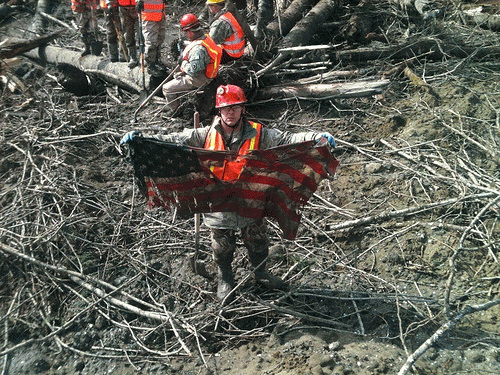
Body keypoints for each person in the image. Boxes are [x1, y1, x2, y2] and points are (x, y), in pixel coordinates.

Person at [121, 84, 336, 302]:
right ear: (219, 111)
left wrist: (317, 136)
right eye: (225, 108)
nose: (230, 112)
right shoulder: (204, 134)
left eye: (234, 107)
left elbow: (287, 140)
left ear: (243, 108)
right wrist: (141, 139)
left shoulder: (260, 133)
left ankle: (261, 274)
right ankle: (226, 279)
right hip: (218, 203)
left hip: (250, 201)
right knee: (221, 247)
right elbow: (174, 140)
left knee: (258, 241)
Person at [161, 14, 222, 114]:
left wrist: (183, 63)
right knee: (176, 76)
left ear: (189, 31)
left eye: (186, 32)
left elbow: (194, 70)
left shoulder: (198, 49)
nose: (185, 34)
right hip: (208, 73)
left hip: (200, 78)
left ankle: (176, 111)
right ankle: (178, 102)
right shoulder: (206, 38)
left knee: (166, 88)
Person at [135, 0, 166, 75]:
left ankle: (156, 61)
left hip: (160, 13)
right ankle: (150, 65)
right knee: (151, 42)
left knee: (160, 39)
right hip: (148, 16)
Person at [117, 0, 139, 68]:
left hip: (139, 7)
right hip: (124, 7)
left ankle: (144, 58)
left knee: (141, 34)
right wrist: (109, 3)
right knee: (128, 34)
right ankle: (133, 57)